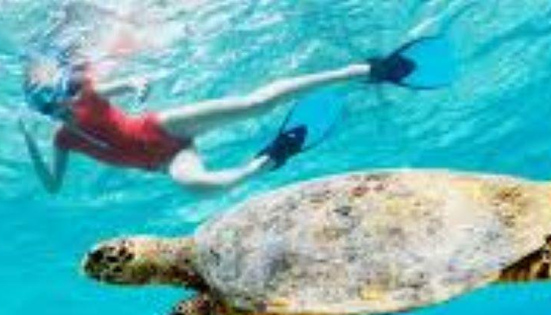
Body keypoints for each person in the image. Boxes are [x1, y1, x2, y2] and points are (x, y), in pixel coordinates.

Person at [19, 35, 456, 193]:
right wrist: (32, 148)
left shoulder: (85, 96)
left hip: (162, 125)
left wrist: (133, 85)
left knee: (255, 103)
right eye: (51, 107)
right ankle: (271, 157)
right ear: (44, 112)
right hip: (165, 161)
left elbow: (109, 88)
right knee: (202, 187)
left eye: (61, 97)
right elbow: (53, 187)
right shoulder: (62, 141)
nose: (63, 107)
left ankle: (366, 71)